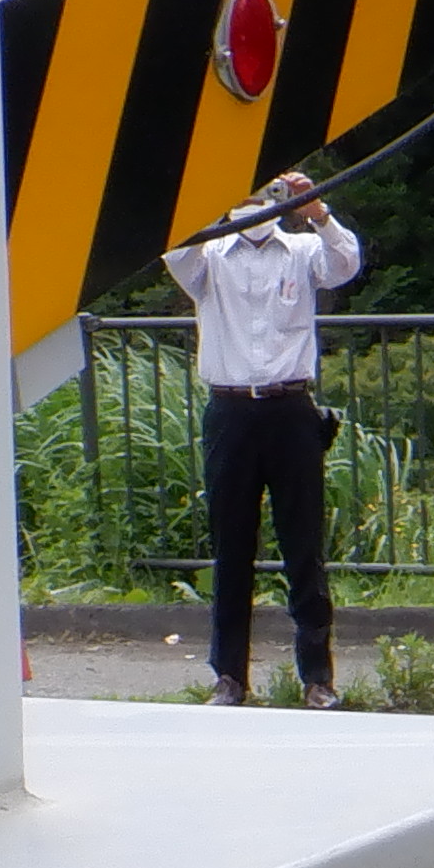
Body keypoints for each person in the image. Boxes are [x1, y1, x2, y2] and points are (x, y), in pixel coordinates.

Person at [162, 168, 360, 709]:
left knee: (304, 545)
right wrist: (210, 191)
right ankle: (228, 676)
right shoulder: (209, 256)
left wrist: (314, 208)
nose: (258, 199)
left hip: (290, 406)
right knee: (232, 546)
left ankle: (317, 677)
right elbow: (173, 249)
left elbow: (345, 264)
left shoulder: (299, 249)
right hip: (229, 408)